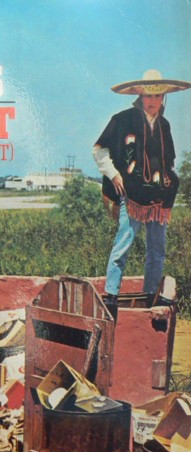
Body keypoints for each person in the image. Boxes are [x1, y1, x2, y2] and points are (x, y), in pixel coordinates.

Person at [93, 69, 190, 320]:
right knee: (124, 242)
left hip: (159, 197)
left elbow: (169, 161)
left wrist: (168, 180)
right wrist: (114, 175)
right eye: (149, 95)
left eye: (157, 96)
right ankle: (111, 295)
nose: (152, 101)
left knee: (157, 248)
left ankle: (150, 294)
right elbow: (99, 150)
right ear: (140, 95)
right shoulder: (122, 119)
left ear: (163, 97)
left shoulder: (164, 125)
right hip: (132, 193)